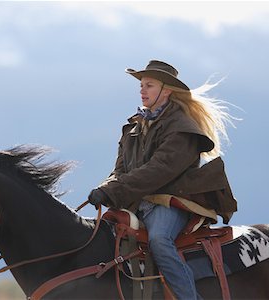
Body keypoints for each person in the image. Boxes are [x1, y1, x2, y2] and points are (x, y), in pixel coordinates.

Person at [88, 60, 237, 299]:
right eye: (141, 85)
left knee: (159, 240)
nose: (142, 90)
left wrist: (114, 190)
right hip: (137, 201)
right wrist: (106, 188)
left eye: (149, 85)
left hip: (169, 201)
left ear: (166, 91)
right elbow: (120, 170)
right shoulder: (133, 127)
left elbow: (159, 169)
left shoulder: (183, 129)